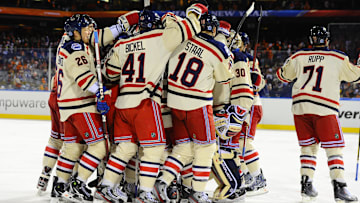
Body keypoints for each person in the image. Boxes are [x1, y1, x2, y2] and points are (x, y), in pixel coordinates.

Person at [97, 3, 207, 202]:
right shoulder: (160, 38)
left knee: (126, 149)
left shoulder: (122, 44)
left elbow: (109, 73)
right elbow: (191, 27)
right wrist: (188, 13)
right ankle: (145, 192)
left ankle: (106, 187)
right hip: (145, 102)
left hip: (123, 103)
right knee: (155, 149)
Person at [153, 13, 234, 203]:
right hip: (197, 104)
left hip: (174, 101)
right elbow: (225, 78)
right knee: (206, 147)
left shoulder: (182, 40)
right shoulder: (217, 49)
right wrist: (227, 59)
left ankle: (163, 181)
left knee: (184, 147)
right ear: (214, 30)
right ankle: (197, 192)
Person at [277, 25, 359, 203]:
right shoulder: (338, 57)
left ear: (310, 40)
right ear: (327, 40)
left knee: (308, 148)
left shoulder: (298, 56)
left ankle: (306, 185)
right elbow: (356, 76)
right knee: (334, 148)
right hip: (324, 108)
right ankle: (340, 187)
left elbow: (283, 76)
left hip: (300, 108)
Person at [211, 23, 252, 202]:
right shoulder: (233, 55)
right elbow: (244, 92)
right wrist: (240, 112)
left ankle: (232, 184)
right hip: (224, 109)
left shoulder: (224, 53)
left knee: (222, 150)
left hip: (216, 108)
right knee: (227, 149)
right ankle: (235, 184)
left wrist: (237, 113)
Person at [238, 31, 268, 196]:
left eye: (238, 42)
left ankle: (258, 178)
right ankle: (246, 176)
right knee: (239, 144)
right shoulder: (234, 57)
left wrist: (255, 79)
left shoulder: (250, 59)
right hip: (242, 106)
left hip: (251, 106)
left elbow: (260, 83)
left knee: (244, 143)